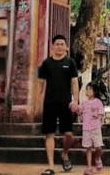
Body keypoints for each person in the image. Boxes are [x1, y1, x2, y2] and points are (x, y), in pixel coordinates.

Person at [37, 34, 81, 175]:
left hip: (66, 104)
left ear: (66, 47)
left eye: (62, 44)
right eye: (57, 44)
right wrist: (38, 102)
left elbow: (74, 82)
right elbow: (41, 84)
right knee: (49, 134)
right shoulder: (46, 64)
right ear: (52, 47)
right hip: (49, 103)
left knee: (68, 134)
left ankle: (64, 153)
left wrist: (76, 100)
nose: (60, 47)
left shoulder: (70, 62)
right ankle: (51, 166)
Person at [78, 83, 105, 175]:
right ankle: (89, 167)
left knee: (99, 147)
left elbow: (101, 113)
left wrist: (97, 116)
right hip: (86, 128)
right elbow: (78, 110)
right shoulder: (84, 103)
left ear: (94, 91)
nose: (88, 91)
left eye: (90, 89)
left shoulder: (98, 102)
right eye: (87, 89)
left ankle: (97, 158)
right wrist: (74, 107)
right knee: (88, 147)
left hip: (95, 128)